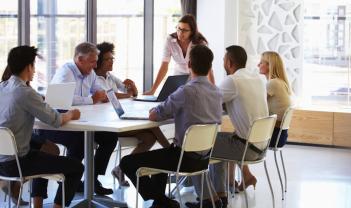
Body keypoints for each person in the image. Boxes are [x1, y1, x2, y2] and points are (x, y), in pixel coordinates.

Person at [120, 45, 222, 208]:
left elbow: (155, 115)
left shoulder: (185, 91)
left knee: (127, 162)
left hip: (183, 158)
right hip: (204, 158)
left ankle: (162, 201)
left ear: (189, 64)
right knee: (160, 159)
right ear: (210, 67)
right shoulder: (217, 93)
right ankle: (160, 202)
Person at [0, 45, 84, 208]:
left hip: (2, 161)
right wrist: (72, 114)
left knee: (44, 151)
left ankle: (37, 204)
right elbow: (56, 120)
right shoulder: (25, 92)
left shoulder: (3, 86)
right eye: (33, 66)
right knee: (76, 168)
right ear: (28, 67)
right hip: (16, 163)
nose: (34, 70)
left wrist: (39, 99)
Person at [187, 46, 269, 208]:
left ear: (230, 62)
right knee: (217, 140)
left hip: (245, 148)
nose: (223, 63)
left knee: (194, 148)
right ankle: (221, 196)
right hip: (260, 145)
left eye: (224, 60)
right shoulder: (258, 78)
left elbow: (207, 100)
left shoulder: (233, 81)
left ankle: (207, 200)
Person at [36, 42, 118, 195]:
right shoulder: (65, 73)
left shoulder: (90, 73)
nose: (95, 65)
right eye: (92, 61)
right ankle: (67, 188)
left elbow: (97, 91)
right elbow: (62, 99)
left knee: (110, 137)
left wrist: (103, 95)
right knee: (80, 142)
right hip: (57, 124)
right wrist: (91, 99)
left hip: (80, 122)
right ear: (80, 59)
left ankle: (90, 180)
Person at [94, 42, 171, 186]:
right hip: (107, 125)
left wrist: (133, 87)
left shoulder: (110, 76)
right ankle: (171, 152)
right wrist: (127, 94)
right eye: (107, 59)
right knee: (152, 125)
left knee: (149, 138)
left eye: (112, 59)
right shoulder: (94, 79)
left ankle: (120, 169)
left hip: (118, 119)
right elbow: (109, 95)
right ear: (99, 61)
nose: (111, 61)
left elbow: (132, 93)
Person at [1, 63, 62, 206]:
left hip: (9, 140)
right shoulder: (21, 91)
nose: (34, 72)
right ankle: (18, 186)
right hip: (17, 138)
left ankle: (14, 185)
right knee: (51, 150)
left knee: (51, 149)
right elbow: (49, 117)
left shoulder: (8, 89)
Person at [144, 14, 215, 95]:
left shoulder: (200, 43)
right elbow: (164, 65)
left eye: (185, 30)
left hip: (195, 77)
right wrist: (153, 90)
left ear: (192, 31)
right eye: (179, 28)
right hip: (178, 77)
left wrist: (213, 90)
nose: (180, 33)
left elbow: (208, 68)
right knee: (170, 99)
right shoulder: (170, 40)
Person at [258, 51, 292, 148]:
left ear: (269, 65)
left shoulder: (273, 83)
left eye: (261, 63)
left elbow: (257, 103)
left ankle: (242, 161)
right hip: (280, 135)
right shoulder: (281, 82)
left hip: (274, 136)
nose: (258, 65)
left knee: (238, 136)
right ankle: (242, 162)